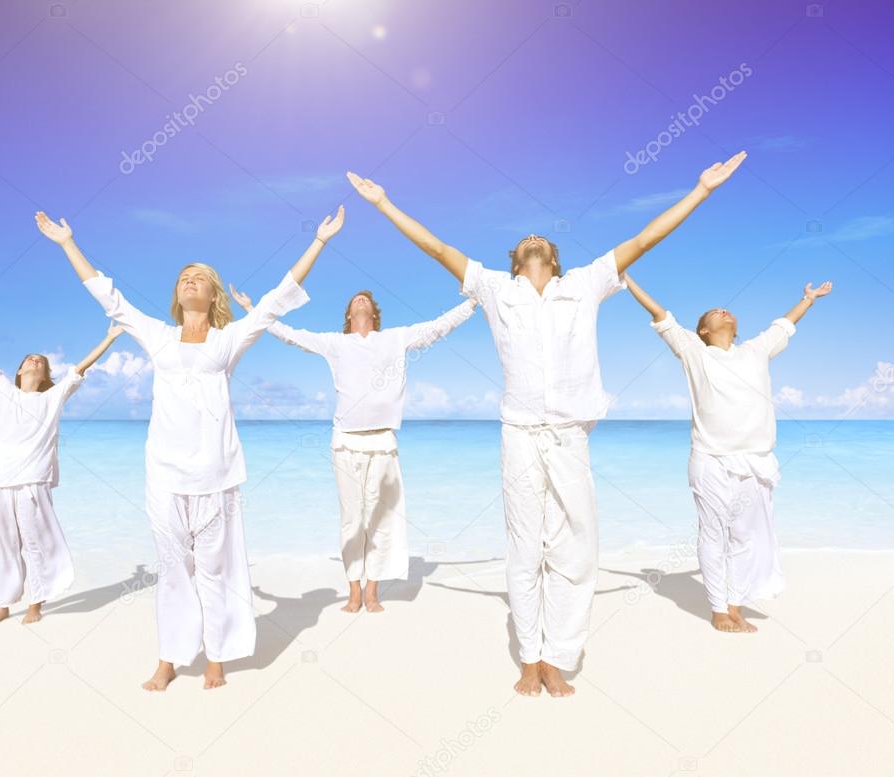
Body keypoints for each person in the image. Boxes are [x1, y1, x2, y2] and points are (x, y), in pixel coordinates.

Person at [346, 151, 748, 697]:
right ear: (516, 261)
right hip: (518, 433)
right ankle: (529, 657)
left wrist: (701, 190)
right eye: (526, 240)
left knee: (578, 547)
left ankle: (558, 654)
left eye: (543, 239)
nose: (534, 238)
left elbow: (646, 237)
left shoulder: (585, 283)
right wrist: (383, 202)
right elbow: (436, 247)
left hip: (570, 434)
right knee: (524, 547)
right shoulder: (494, 288)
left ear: (553, 259)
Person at [35, 206, 343, 691]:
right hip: (163, 473)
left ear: (213, 293)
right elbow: (110, 299)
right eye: (183, 277)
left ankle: (217, 656)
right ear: (177, 293)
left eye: (199, 278)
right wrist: (66, 243)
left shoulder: (228, 339)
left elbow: (275, 301)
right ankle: (170, 657)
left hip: (216, 474)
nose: (189, 281)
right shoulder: (157, 335)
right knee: (173, 569)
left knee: (217, 571)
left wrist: (320, 242)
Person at [231, 286, 475, 612]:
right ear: (349, 315)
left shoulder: (396, 339)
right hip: (345, 441)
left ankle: (372, 591)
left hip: (383, 442)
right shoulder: (336, 343)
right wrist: (253, 309)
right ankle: (354, 590)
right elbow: (290, 335)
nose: (360, 300)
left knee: (380, 520)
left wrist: (473, 301)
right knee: (351, 520)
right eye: (354, 300)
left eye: (366, 300)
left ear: (374, 313)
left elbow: (437, 327)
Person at [623, 273, 832, 633]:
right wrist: (626, 279)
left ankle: (735, 605)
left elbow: (784, 324)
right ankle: (719, 609)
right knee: (713, 533)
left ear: (735, 327)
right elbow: (661, 314)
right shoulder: (694, 352)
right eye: (713, 313)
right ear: (702, 331)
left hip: (756, 462)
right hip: (710, 459)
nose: (723, 311)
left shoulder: (755, 350)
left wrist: (808, 299)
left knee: (745, 538)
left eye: (726, 310)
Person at [0, 300, 122, 625]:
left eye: (40, 361)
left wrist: (110, 338)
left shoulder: (52, 398)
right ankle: (4, 602)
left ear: (45, 375)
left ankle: (36, 602)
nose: (34, 361)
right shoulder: (4, 392)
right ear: (20, 370)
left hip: (31, 483)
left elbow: (80, 368)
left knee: (34, 543)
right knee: (3, 544)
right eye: (30, 359)